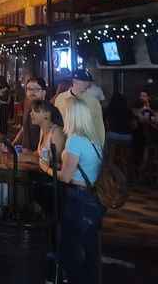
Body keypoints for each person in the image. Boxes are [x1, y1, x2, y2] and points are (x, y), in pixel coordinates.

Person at [41, 95, 104, 284]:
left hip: (78, 197)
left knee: (70, 246)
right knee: (89, 248)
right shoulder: (94, 140)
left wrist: (45, 168)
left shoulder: (75, 141)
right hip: (93, 197)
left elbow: (65, 176)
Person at [53, 70, 106, 147]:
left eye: (89, 82)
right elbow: (56, 121)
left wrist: (100, 145)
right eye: (85, 81)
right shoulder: (60, 98)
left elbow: (98, 125)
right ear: (75, 81)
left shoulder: (93, 101)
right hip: (63, 141)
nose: (89, 84)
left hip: (86, 143)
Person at [12, 77, 47, 150]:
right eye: (29, 89)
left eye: (36, 89)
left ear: (44, 92)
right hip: (26, 152)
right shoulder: (28, 105)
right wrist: (13, 144)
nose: (32, 92)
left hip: (38, 156)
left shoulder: (47, 111)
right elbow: (24, 127)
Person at [30, 100, 65, 169]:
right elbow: (39, 154)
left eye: (35, 111)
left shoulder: (57, 132)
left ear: (47, 114)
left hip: (52, 175)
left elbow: (55, 161)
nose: (31, 114)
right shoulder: (42, 129)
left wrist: (27, 158)